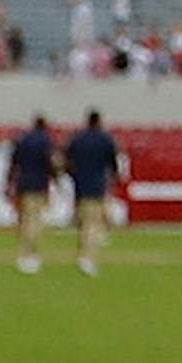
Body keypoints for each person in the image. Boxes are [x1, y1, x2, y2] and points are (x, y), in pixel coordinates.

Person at [63, 107, 121, 275]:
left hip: (80, 185)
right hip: (97, 185)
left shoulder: (77, 139)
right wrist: (114, 177)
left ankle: (83, 250)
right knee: (92, 222)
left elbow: (67, 161)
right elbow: (113, 162)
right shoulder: (105, 139)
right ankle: (87, 258)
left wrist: (73, 176)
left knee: (83, 220)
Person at [8, 110, 56, 272]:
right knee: (34, 219)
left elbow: (14, 163)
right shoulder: (46, 141)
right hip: (39, 184)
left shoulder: (22, 140)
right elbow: (49, 162)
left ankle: (24, 252)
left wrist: (9, 183)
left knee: (24, 218)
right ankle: (30, 253)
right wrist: (55, 178)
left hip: (23, 184)